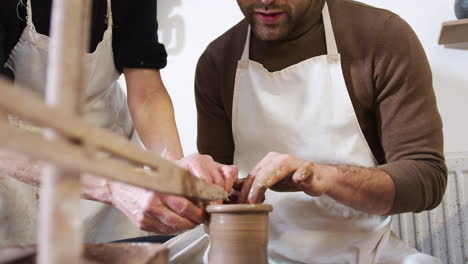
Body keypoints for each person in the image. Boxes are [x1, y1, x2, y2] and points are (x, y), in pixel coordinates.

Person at [164, 0, 447, 263]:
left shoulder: (381, 37)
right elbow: (217, 195)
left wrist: (322, 176)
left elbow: (426, 178)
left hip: (360, 251)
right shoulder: (218, 60)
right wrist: (195, 190)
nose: (265, 0)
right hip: (248, 251)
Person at [0, 0, 237, 244]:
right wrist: (112, 186)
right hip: (22, 166)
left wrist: (172, 168)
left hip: (106, 146)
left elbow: (146, 92)